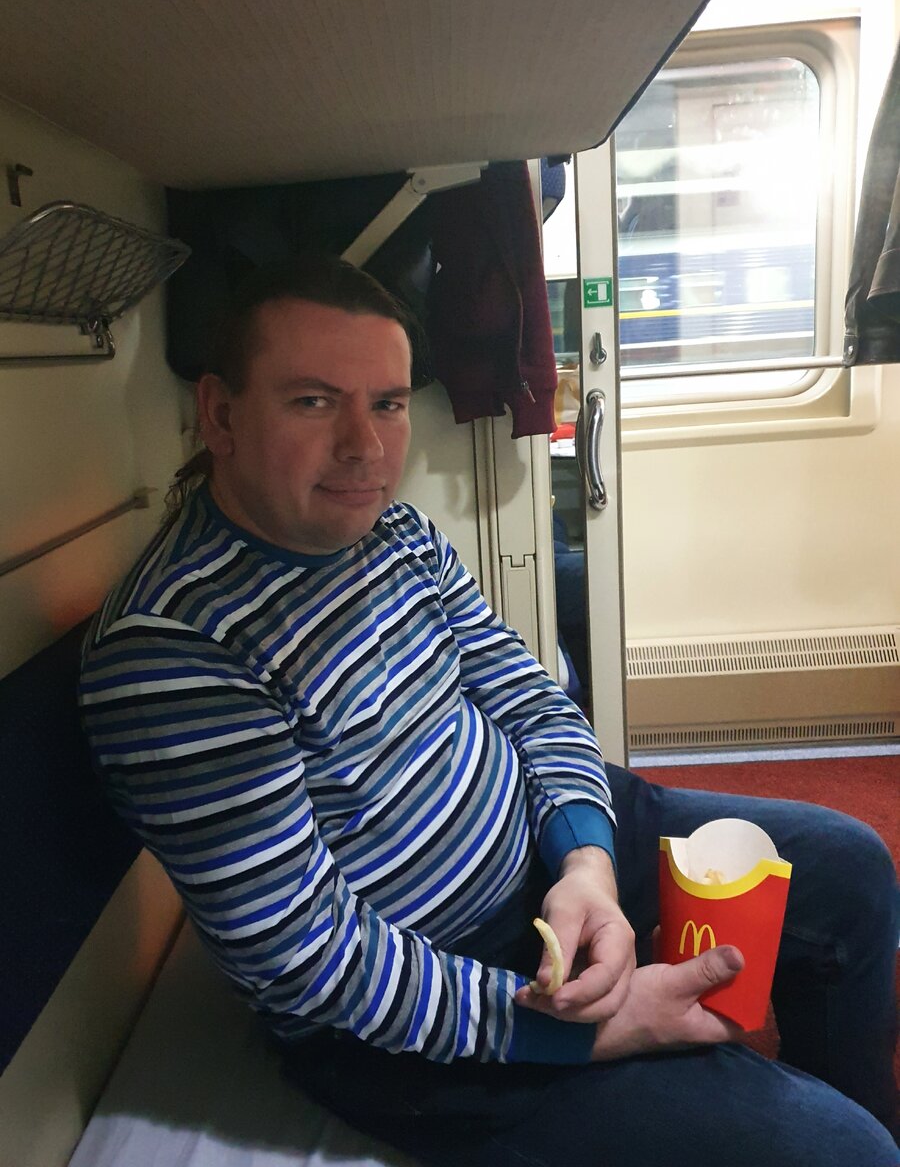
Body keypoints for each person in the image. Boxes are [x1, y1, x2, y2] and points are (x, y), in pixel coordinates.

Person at [78, 256, 899, 1166]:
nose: (364, 446)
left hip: (554, 857)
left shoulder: (395, 535)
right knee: (844, 1153)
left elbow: (530, 699)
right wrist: (601, 1029)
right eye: (313, 402)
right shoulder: (175, 649)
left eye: (388, 404)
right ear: (221, 413)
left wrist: (585, 863)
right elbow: (308, 956)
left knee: (853, 870)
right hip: (435, 990)